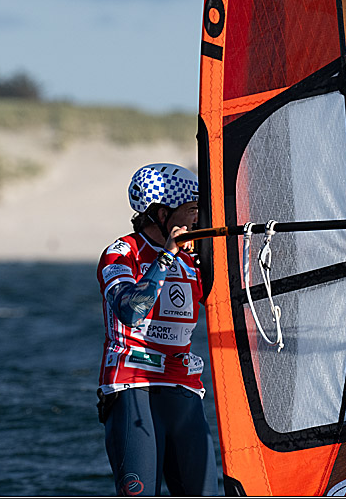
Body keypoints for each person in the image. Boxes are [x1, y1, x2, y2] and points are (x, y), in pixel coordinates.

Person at [96, 163, 218, 496]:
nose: (198, 218)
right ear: (163, 214)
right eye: (192, 210)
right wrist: (167, 256)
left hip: (183, 388)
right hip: (131, 385)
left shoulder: (196, 259)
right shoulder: (122, 253)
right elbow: (130, 310)